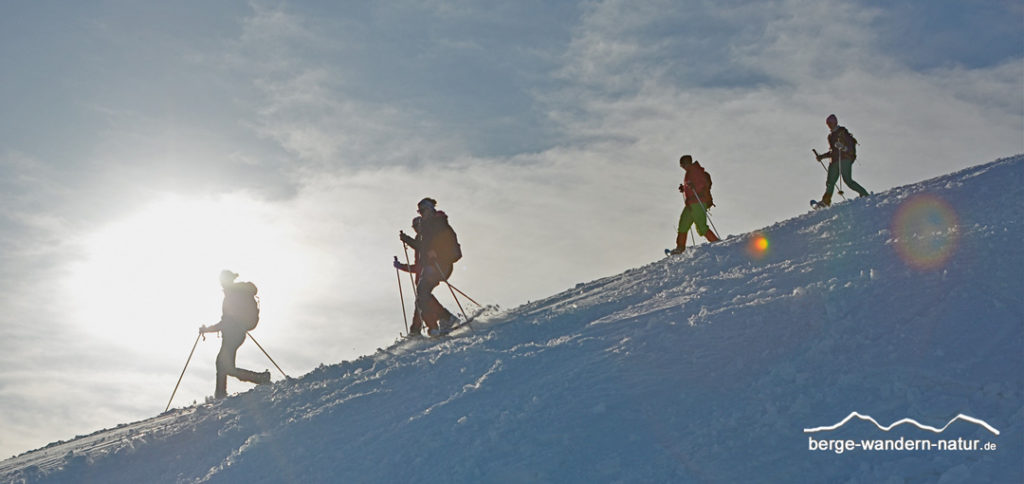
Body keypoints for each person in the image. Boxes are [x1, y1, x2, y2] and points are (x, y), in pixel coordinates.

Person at [199, 270, 270, 399]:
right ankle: (259, 379)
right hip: (235, 333)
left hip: (234, 333)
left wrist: (207, 330)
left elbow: (226, 321)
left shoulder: (233, 295)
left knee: (224, 365)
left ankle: (259, 379)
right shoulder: (235, 293)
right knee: (224, 364)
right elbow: (226, 321)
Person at [397, 197, 461, 336]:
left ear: (431, 209)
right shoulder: (428, 227)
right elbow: (423, 246)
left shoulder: (438, 223)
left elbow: (449, 243)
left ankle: (443, 319)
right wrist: (406, 239)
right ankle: (435, 325)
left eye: (423, 210)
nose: (421, 214)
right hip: (432, 265)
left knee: (422, 292)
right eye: (419, 211)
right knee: (422, 295)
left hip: (441, 263)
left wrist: (437, 252)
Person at [814, 114, 870, 207]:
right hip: (835, 160)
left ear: (835, 122)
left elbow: (850, 146)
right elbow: (833, 151)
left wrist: (844, 148)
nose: (829, 125)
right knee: (830, 182)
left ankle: (864, 194)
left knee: (847, 180)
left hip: (844, 159)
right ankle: (826, 201)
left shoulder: (842, 132)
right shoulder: (830, 136)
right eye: (828, 123)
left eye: (830, 123)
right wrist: (822, 156)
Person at [669, 155, 720, 255]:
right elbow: (692, 185)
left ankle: (716, 243)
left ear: (686, 163)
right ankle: (680, 247)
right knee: (683, 223)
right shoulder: (690, 172)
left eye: (682, 165)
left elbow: (701, 184)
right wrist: (684, 188)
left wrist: (693, 186)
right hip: (691, 203)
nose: (682, 167)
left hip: (698, 202)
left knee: (701, 227)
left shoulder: (695, 170)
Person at [395, 217, 429, 337]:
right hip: (422, 274)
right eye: (414, 227)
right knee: (421, 301)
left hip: (429, 271)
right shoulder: (419, 238)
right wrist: (402, 266)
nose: (416, 229)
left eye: (417, 226)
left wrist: (406, 239)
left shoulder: (426, 237)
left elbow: (420, 247)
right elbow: (418, 266)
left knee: (423, 299)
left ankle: (419, 329)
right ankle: (416, 330)